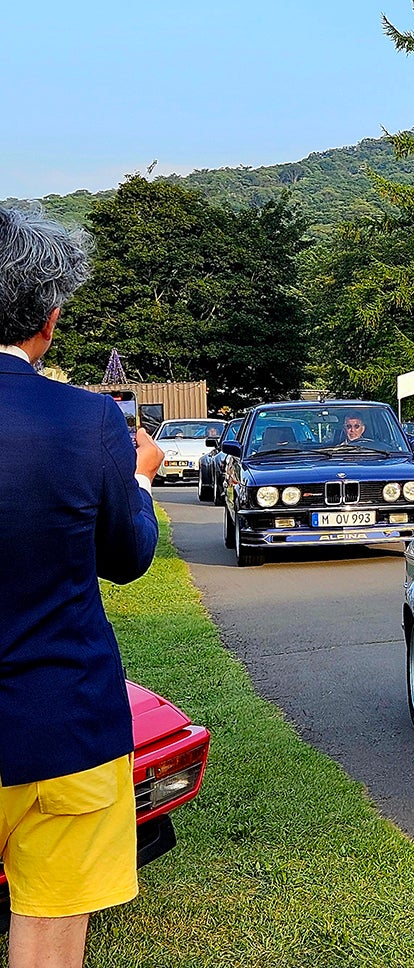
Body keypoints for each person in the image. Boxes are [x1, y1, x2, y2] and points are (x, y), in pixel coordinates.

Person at [0, 206, 164, 968]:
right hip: (63, 721)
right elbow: (127, 555)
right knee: (51, 929)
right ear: (51, 319)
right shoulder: (88, 419)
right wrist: (139, 479)